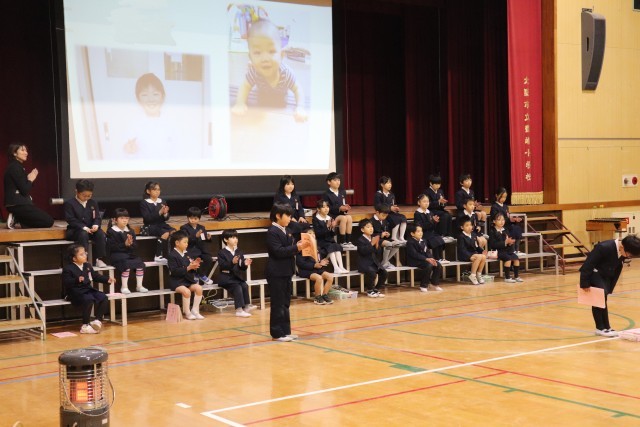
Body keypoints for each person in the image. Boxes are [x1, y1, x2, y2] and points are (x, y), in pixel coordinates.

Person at [231, 19, 307, 122]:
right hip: (262, 96)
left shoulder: (286, 73)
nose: (265, 59)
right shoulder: (254, 72)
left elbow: (298, 89)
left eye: (271, 51)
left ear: (281, 55)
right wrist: (240, 103)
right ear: (251, 57)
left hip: (281, 98)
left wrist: (300, 107)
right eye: (257, 53)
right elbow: (245, 87)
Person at [579, 235, 640, 337]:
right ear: (622, 247)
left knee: (603, 300)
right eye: (629, 254)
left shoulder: (622, 251)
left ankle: (606, 327)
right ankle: (600, 328)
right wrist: (584, 283)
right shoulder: (603, 247)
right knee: (598, 300)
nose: (629, 256)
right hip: (594, 274)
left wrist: (611, 286)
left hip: (606, 276)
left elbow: (617, 269)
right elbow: (588, 264)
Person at [266, 203, 310, 342]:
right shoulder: (272, 231)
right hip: (276, 272)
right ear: (278, 216)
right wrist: (296, 248)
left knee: (285, 303)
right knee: (277, 303)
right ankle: (277, 333)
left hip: (286, 271)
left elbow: (289, 247)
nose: (290, 219)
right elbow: (278, 251)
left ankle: (285, 332)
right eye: (288, 216)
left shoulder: (286, 230)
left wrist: (299, 245)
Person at [62, 244, 116, 334]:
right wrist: (76, 279)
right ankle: (85, 325)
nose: (85, 255)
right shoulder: (68, 268)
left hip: (87, 290)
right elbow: (66, 282)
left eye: (85, 253)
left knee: (103, 297)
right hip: (75, 292)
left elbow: (95, 276)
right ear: (74, 258)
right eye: (81, 254)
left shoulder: (87, 265)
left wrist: (107, 279)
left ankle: (97, 320)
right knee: (89, 299)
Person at [123, 73, 179, 158]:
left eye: (155, 94)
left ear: (163, 97)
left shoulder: (171, 123)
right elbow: (127, 150)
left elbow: (177, 151)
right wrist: (129, 149)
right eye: (144, 95)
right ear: (138, 100)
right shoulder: (134, 124)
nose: (151, 100)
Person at [3, 143, 54, 229]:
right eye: (22, 150)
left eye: (26, 151)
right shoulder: (15, 167)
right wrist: (30, 179)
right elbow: (25, 190)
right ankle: (17, 216)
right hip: (17, 204)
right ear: (14, 153)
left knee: (43, 221)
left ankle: (19, 218)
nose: (26, 153)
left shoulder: (17, 166)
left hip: (19, 203)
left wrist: (29, 179)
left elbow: (23, 187)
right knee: (48, 221)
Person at [64, 180, 107, 268]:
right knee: (83, 234)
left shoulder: (93, 203)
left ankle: (99, 259)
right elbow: (70, 219)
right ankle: (84, 261)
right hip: (76, 230)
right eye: (84, 195)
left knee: (100, 233)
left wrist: (96, 225)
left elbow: (97, 217)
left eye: (89, 195)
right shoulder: (69, 203)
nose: (86, 198)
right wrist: (83, 227)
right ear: (77, 192)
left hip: (91, 230)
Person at [217, 229, 257, 318]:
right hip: (226, 278)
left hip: (236, 277)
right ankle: (239, 310)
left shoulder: (239, 251)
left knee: (244, 285)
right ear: (226, 240)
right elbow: (222, 266)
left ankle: (246, 306)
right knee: (237, 287)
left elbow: (241, 267)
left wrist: (245, 264)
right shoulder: (221, 252)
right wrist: (232, 262)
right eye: (232, 237)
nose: (235, 239)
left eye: (236, 237)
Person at [106, 208, 147, 294]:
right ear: (115, 220)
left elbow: (135, 246)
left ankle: (139, 286)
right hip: (116, 255)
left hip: (129, 253)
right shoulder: (111, 231)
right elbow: (111, 247)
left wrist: (130, 244)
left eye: (126, 218)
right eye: (121, 218)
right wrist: (124, 244)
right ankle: (124, 287)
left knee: (140, 263)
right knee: (126, 264)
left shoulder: (130, 231)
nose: (125, 220)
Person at [167, 231, 205, 320]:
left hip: (187, 280)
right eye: (184, 242)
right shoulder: (172, 255)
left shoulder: (187, 254)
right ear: (177, 243)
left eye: (187, 242)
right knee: (186, 291)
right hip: (177, 282)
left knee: (199, 288)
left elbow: (190, 267)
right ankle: (187, 312)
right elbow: (174, 271)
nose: (187, 244)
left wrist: (195, 265)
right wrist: (188, 268)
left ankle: (195, 310)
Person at [295, 229, 334, 305]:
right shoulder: (302, 248)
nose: (312, 235)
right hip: (306, 270)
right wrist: (313, 265)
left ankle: (325, 295)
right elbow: (300, 263)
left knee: (330, 277)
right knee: (319, 278)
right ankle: (317, 297)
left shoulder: (317, 247)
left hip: (316, 269)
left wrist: (322, 262)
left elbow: (318, 260)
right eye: (310, 233)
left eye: (313, 233)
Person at [140, 181, 175, 262]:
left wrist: (165, 213)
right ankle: (158, 255)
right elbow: (147, 218)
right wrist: (159, 212)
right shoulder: (144, 203)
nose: (157, 191)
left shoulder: (162, 201)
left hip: (161, 224)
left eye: (158, 189)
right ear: (148, 191)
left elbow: (166, 218)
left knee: (173, 232)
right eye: (154, 189)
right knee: (164, 233)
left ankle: (169, 253)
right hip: (150, 226)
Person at [179, 207, 214, 285]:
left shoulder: (201, 227)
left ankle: (201, 275)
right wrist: (195, 236)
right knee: (193, 260)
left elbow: (204, 238)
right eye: (191, 218)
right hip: (190, 250)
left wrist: (208, 238)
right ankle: (198, 275)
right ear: (187, 218)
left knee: (209, 259)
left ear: (199, 219)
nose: (193, 220)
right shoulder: (184, 228)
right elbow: (185, 240)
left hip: (201, 249)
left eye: (195, 218)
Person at [312, 199, 348, 273]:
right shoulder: (315, 219)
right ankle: (336, 268)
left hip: (330, 240)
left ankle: (341, 267)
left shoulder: (330, 217)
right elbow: (318, 233)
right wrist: (327, 227)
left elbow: (333, 234)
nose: (326, 209)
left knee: (336, 246)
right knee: (331, 247)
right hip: (322, 241)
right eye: (323, 207)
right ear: (318, 209)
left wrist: (333, 228)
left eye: (327, 207)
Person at [405, 224, 443, 292]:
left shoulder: (424, 241)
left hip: (424, 260)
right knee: (428, 265)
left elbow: (427, 252)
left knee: (438, 264)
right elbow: (414, 254)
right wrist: (426, 259)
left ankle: (434, 284)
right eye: (418, 231)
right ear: (412, 233)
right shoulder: (410, 242)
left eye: (421, 231)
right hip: (414, 261)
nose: (421, 233)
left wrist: (431, 258)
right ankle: (423, 285)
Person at [355, 219, 387, 298]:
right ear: (362, 230)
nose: (371, 228)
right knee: (372, 273)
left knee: (384, 273)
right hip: (364, 263)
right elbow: (363, 251)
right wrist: (372, 244)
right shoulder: (360, 240)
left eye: (372, 226)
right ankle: (369, 290)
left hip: (373, 262)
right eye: (368, 227)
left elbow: (378, 252)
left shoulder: (373, 238)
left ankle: (376, 289)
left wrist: (377, 245)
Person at [322, 172, 355, 248]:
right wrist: (339, 208)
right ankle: (342, 241)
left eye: (339, 180)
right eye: (335, 180)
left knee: (349, 217)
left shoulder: (342, 192)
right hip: (332, 215)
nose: (338, 182)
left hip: (341, 214)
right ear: (329, 182)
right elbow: (327, 208)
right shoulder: (326, 194)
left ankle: (348, 241)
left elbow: (343, 203)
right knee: (343, 218)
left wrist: (345, 208)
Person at [413, 193, 448, 263]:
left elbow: (433, 226)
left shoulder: (430, 212)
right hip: (424, 234)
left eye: (427, 201)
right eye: (424, 201)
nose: (426, 203)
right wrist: (432, 221)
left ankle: (440, 258)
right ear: (419, 203)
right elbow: (420, 226)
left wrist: (435, 222)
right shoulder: (417, 213)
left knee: (439, 239)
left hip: (431, 233)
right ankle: (437, 258)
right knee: (434, 241)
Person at [488, 213, 522, 283]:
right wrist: (505, 243)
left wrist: (510, 242)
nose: (502, 222)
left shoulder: (505, 230)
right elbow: (493, 244)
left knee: (516, 258)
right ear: (494, 221)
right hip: (498, 251)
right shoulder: (492, 231)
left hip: (507, 250)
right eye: (499, 220)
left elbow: (507, 240)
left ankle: (516, 276)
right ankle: (507, 277)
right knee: (508, 259)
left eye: (503, 220)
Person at [490, 187, 524, 255]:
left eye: (505, 197)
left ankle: (516, 248)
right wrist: (509, 219)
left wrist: (514, 219)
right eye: (501, 197)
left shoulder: (505, 206)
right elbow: (496, 218)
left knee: (517, 228)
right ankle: (513, 249)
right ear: (496, 195)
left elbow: (507, 216)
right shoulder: (494, 207)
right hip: (500, 226)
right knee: (513, 230)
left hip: (507, 224)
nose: (503, 199)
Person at [374, 176, 407, 243]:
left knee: (403, 217)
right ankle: (394, 237)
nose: (390, 185)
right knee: (396, 219)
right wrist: (390, 208)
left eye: (390, 183)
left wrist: (395, 208)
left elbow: (393, 204)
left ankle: (401, 237)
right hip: (384, 213)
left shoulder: (391, 194)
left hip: (391, 212)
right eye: (387, 183)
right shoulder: (378, 194)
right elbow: (378, 206)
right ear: (382, 184)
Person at [457, 216, 487, 285]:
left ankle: (479, 274)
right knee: (479, 257)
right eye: (467, 225)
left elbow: (476, 246)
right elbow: (462, 249)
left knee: (483, 256)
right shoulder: (461, 236)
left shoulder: (473, 235)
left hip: (473, 254)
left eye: (470, 225)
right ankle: (473, 275)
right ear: (462, 227)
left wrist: (482, 251)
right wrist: (469, 256)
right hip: (464, 255)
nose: (469, 227)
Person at [371, 205, 400, 270]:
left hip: (384, 239)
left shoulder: (384, 221)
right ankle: (385, 263)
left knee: (397, 244)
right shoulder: (371, 221)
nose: (384, 217)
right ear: (377, 212)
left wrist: (388, 234)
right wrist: (381, 234)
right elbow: (370, 234)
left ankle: (385, 261)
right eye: (383, 215)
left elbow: (387, 230)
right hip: (376, 239)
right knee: (388, 244)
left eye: (386, 216)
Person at [425, 174, 453, 238]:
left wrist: (443, 203)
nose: (438, 186)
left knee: (449, 215)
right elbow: (428, 204)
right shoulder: (427, 192)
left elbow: (443, 203)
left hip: (439, 210)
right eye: (436, 184)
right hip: (431, 210)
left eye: (439, 184)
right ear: (431, 183)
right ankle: (442, 234)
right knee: (444, 215)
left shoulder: (440, 191)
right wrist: (438, 202)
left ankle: (448, 234)